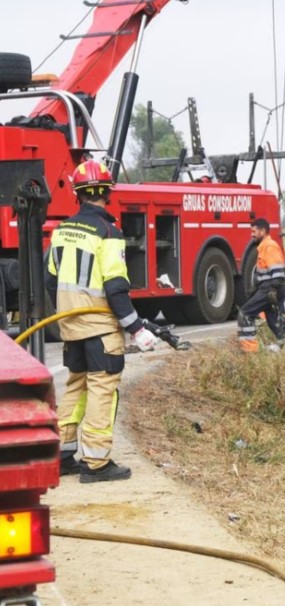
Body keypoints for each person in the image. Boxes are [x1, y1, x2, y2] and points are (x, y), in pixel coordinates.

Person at [46, 159, 160, 483]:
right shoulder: (109, 232)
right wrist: (136, 328)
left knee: (76, 384)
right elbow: (115, 286)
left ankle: (62, 455)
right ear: (107, 193)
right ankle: (96, 462)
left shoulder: (62, 230)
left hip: (70, 323)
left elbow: (50, 279)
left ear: (78, 194)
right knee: (101, 388)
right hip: (99, 326)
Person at [237, 218, 285, 352]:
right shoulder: (264, 247)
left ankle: (250, 350)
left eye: (253, 231)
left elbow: (278, 271)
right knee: (275, 320)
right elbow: (265, 273)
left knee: (245, 314)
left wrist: (272, 290)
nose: (251, 234)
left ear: (262, 231)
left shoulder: (269, 246)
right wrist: (254, 291)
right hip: (269, 289)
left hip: (270, 289)